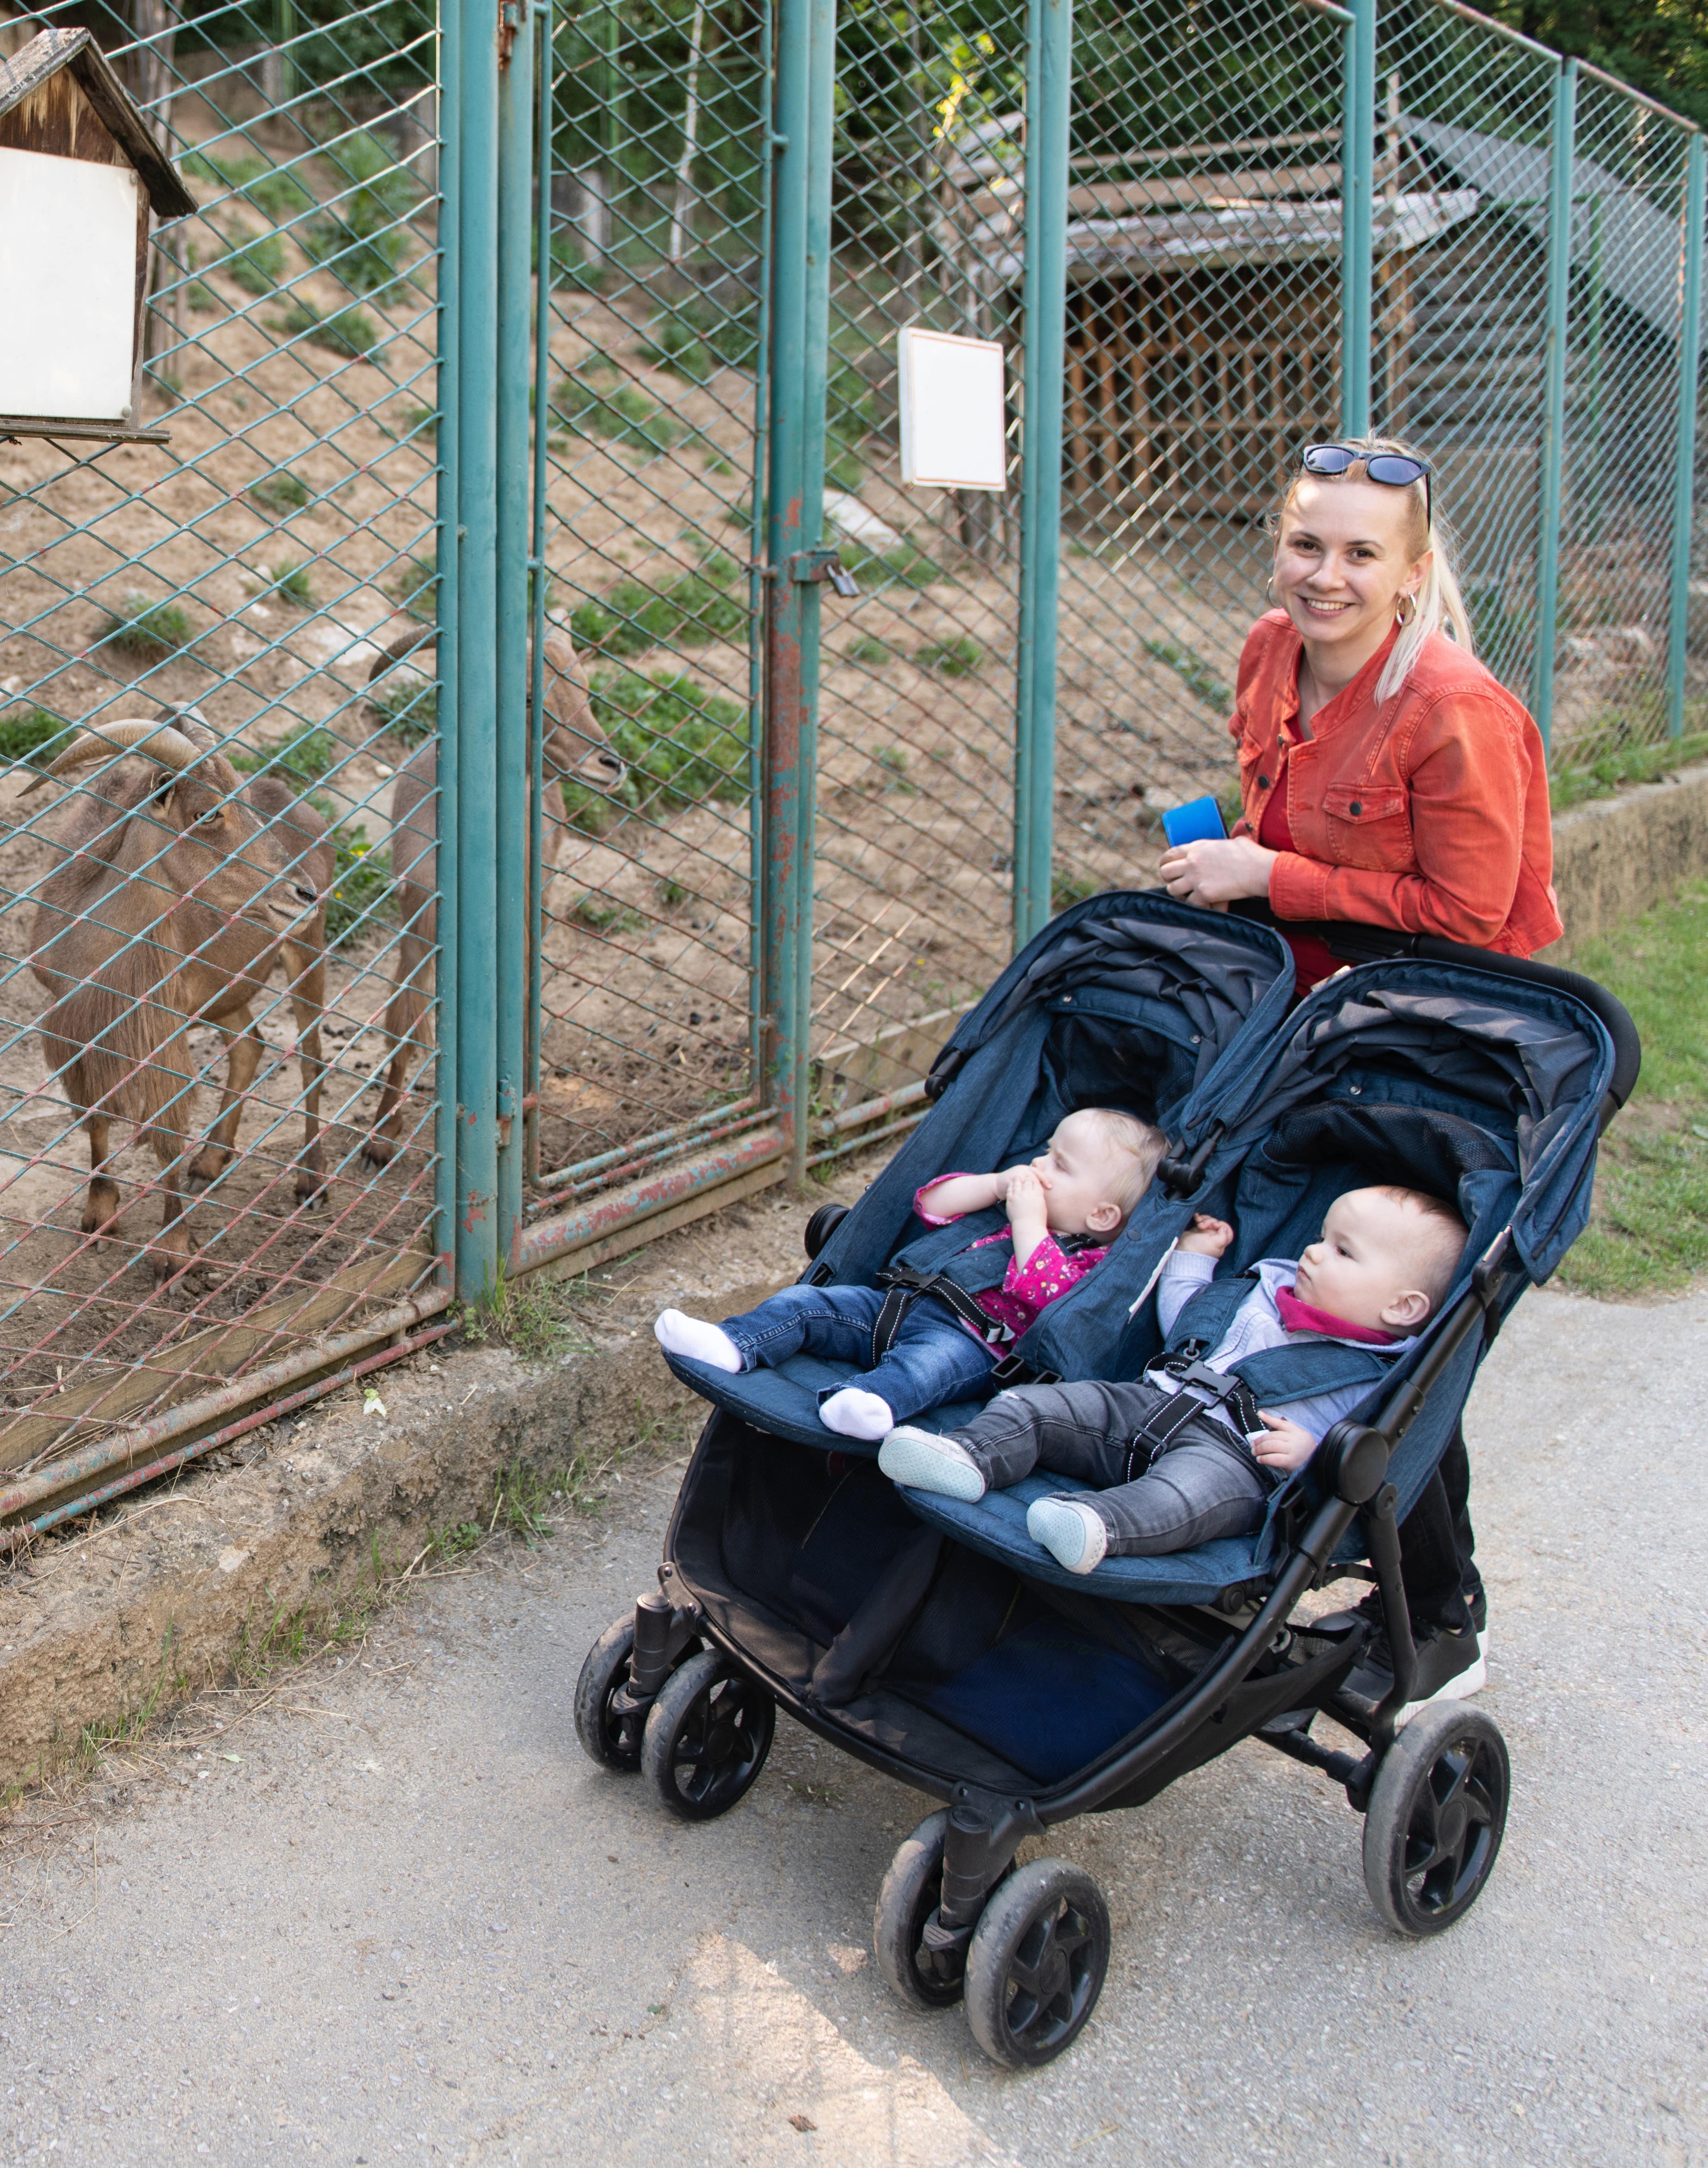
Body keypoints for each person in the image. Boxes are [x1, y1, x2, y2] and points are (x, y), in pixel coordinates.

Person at [1154, 436, 1537, 1703]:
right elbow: (1281, 808)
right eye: (1307, 544)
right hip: (1314, 1017)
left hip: (1447, 1040)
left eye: (1361, 554)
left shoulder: (1454, 711)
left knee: (1389, 1324)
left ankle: (1437, 1617)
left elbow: (1473, 921)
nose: (1326, 574)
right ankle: (1218, 1499)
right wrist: (1234, 868)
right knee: (1262, 1263)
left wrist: (1272, 877)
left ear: (1412, 571)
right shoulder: (1273, 650)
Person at [877, 1184, 1469, 1591]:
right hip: (1152, 1399)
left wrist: (1313, 1458)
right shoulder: (1264, 1289)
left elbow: (1374, 1459)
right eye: (1322, 1235)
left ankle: (1095, 1523)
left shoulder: (1379, 1373)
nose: (1313, 1251)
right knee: (1044, 1405)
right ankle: (968, 1455)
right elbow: (1190, 1322)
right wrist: (1194, 1261)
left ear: (1403, 1306)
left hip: (1236, 1461)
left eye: (1344, 1252)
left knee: (1183, 1499)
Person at [654, 1107, 1166, 1442]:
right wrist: (994, 1184)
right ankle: (733, 1342)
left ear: (1102, 1216)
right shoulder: (1004, 1205)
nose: (1039, 1166)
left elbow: (1046, 1295)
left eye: (1061, 1165)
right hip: (894, 1304)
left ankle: (869, 1401)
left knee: (925, 1371)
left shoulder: (1090, 1267)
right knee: (806, 1303)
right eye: (1046, 1150)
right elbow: (932, 1203)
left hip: (972, 1344)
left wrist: (1029, 1222)